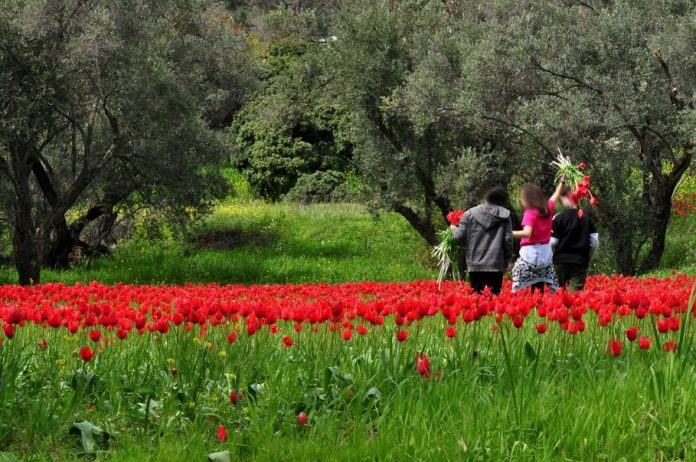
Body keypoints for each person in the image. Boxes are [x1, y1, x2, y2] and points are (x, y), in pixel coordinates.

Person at [451, 186, 513, 295]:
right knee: (494, 299)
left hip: (475, 263)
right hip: (496, 263)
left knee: (477, 301)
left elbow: (458, 237)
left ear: (485, 198)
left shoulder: (469, 214)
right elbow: (508, 239)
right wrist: (507, 259)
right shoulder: (505, 215)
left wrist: (453, 229)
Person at [510, 180, 565, 293]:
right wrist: (562, 181)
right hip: (545, 255)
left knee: (517, 272)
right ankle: (540, 301)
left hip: (530, 255)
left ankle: (518, 297)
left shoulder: (530, 213)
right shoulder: (548, 208)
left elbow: (527, 233)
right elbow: (556, 194)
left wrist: (509, 233)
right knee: (540, 282)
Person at [551, 187, 599, 292]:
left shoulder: (558, 218)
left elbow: (552, 242)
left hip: (560, 261)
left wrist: (548, 260)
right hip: (580, 261)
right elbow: (594, 242)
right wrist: (588, 257)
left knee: (556, 296)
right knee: (575, 297)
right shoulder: (587, 218)